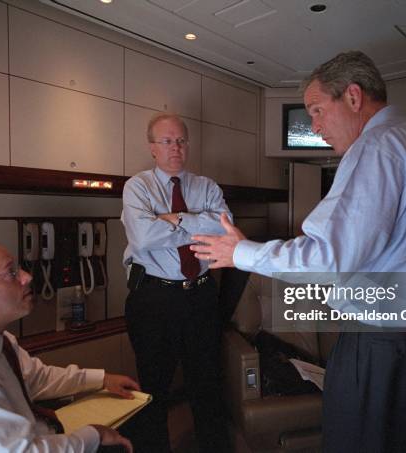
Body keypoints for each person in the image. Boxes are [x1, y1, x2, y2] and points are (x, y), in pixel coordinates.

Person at [191, 51, 406, 453]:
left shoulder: (378, 146)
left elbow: (332, 257)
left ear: (353, 97)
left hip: (385, 349)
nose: (315, 126)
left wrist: (242, 253)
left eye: (317, 110)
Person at [0, 242, 140, 453]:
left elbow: (33, 377)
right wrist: (93, 434)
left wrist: (102, 379)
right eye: (11, 273)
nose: (27, 277)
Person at [120, 113, 231, 452]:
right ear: (152, 147)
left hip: (200, 297)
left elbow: (226, 228)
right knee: (153, 389)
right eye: (167, 141)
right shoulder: (138, 186)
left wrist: (175, 218)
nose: (176, 148)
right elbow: (142, 237)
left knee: (207, 385)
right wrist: (199, 223)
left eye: (181, 141)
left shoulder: (207, 187)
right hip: (154, 298)